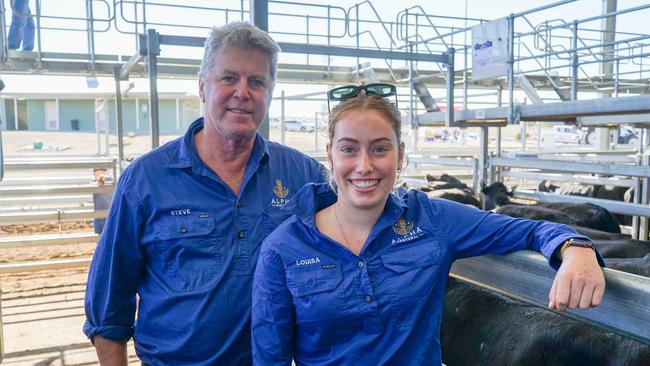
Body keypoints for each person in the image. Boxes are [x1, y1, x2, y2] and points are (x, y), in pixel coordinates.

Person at [251, 86, 606, 365]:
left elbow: (528, 230)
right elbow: (270, 358)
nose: (364, 165)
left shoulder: (431, 220)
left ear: (400, 155)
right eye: (348, 149)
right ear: (330, 155)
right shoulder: (283, 248)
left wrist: (576, 249)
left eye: (379, 149)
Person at [83, 22, 325, 365]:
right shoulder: (146, 180)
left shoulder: (303, 176)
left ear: (269, 93)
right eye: (229, 78)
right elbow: (108, 301)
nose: (243, 91)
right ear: (202, 87)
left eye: (257, 82)